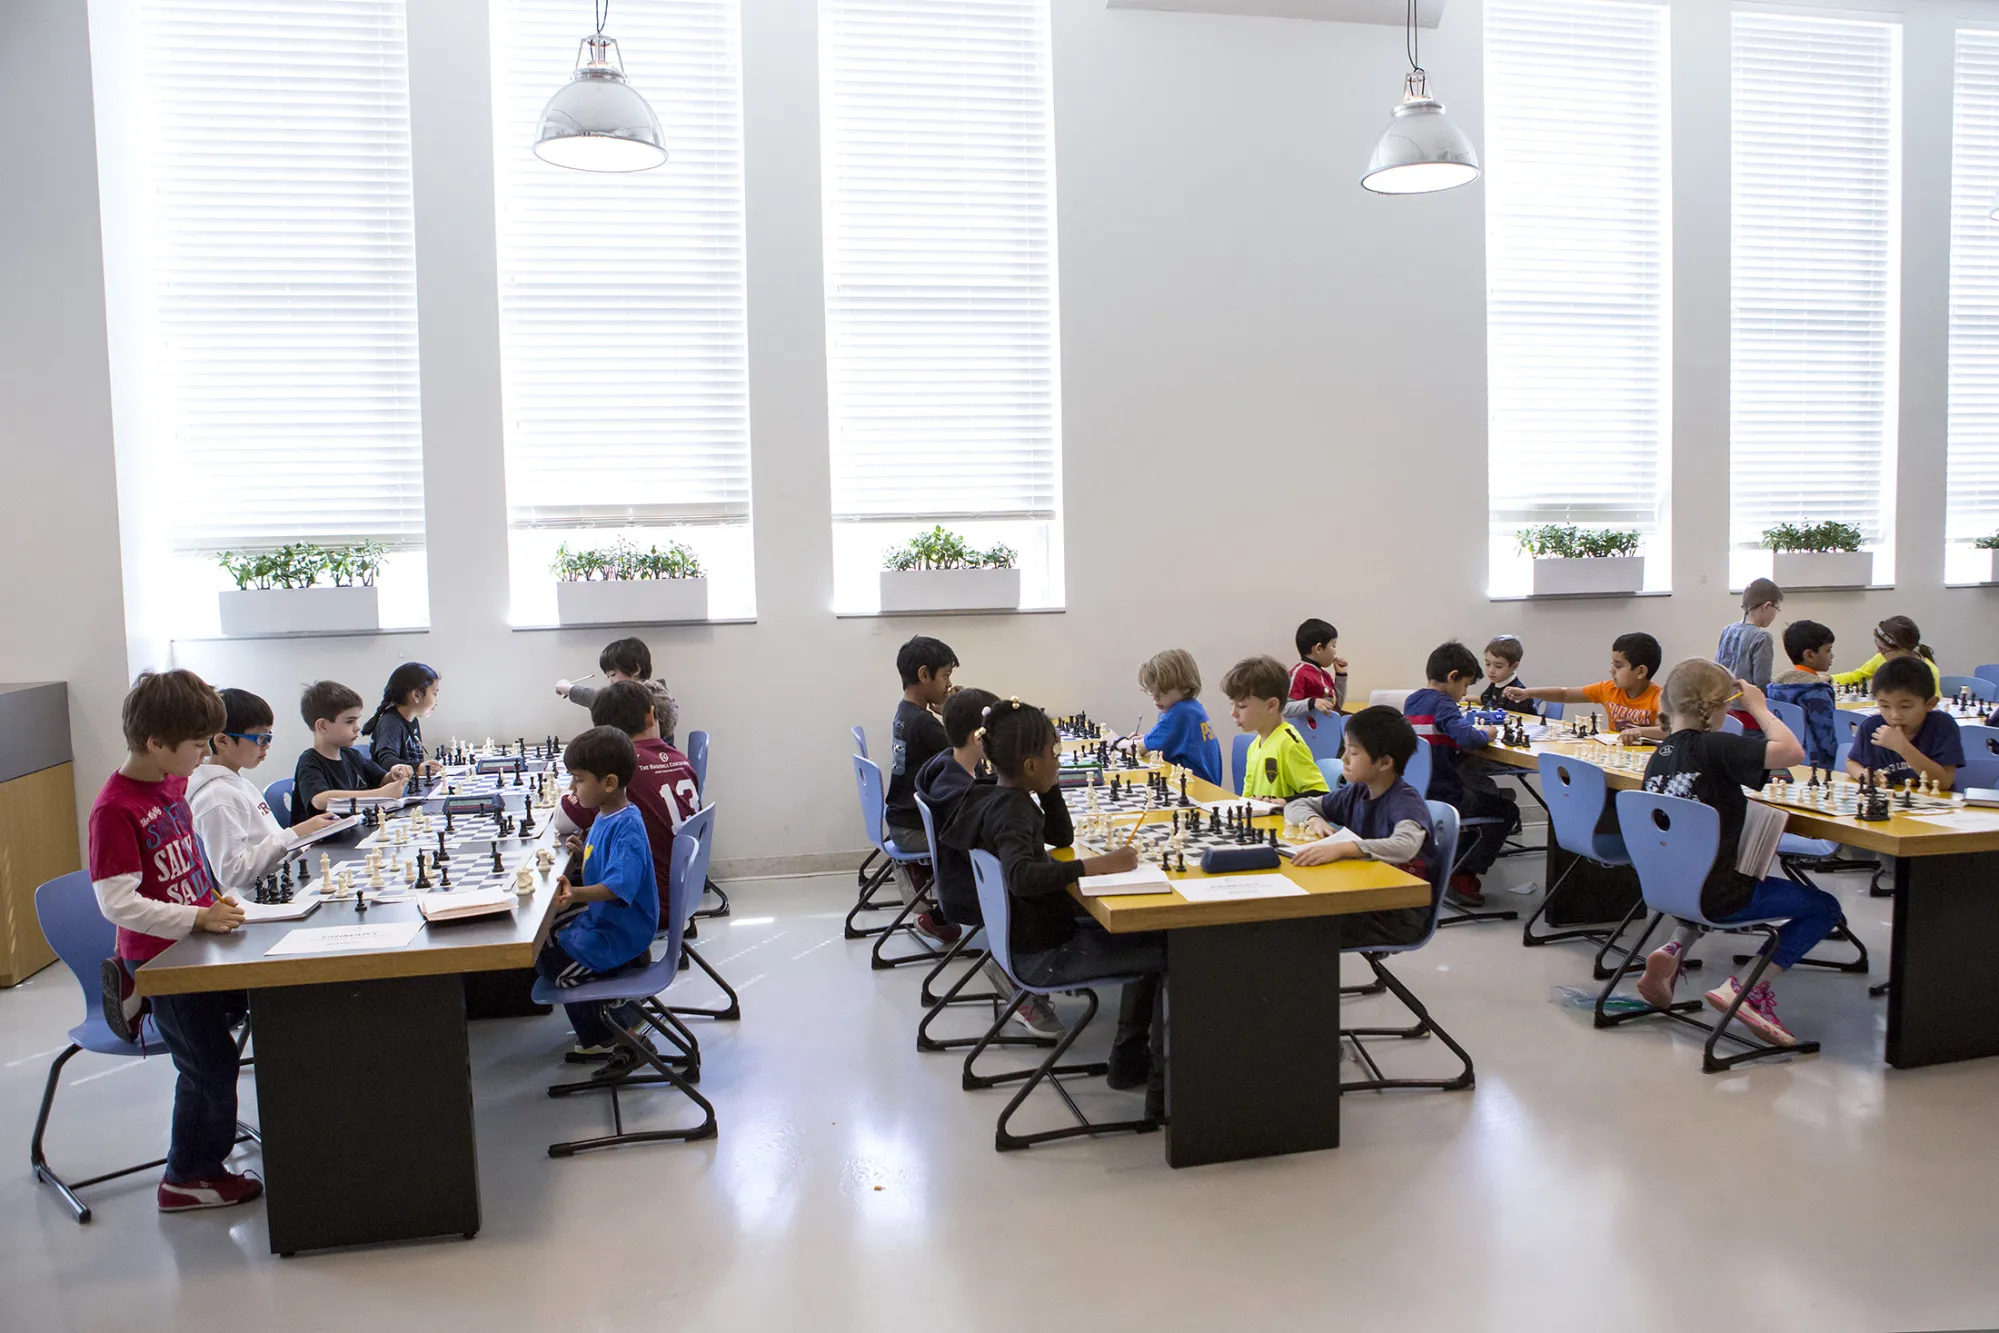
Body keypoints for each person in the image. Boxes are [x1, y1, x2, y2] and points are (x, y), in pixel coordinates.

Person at [938, 699, 1166, 1118]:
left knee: (1147, 935)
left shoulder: (997, 795)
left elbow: (1060, 836)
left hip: (1027, 939)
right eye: (1053, 754)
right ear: (1028, 765)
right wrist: (1097, 865)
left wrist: (1051, 783)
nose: (1057, 760)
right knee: (1171, 948)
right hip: (1043, 955)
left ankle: (1127, 1063)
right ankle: (1160, 1090)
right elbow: (1021, 876)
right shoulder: (1012, 812)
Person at [89, 670, 261, 1211]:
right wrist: (196, 919)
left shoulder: (173, 784)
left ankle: (207, 1149)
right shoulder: (115, 808)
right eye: (196, 745)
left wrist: (212, 899)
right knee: (207, 1064)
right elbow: (117, 904)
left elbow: (190, 860)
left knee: (237, 1033)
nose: (204, 754)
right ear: (156, 743)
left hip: (194, 942)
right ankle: (186, 1175)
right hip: (161, 959)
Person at [1633, 660, 1837, 1048]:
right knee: (1824, 906)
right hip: (1718, 896)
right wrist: (1759, 707)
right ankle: (1746, 989)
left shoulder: (1660, 755)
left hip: (1668, 888)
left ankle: (1674, 945)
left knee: (1722, 861)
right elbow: (1792, 752)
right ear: (1721, 706)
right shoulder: (1715, 746)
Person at [913, 688, 1062, 1034]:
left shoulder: (956, 774)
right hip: (981, 895)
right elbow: (1022, 871)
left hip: (966, 886)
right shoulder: (971, 795)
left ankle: (1010, 967)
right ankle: (1017, 972)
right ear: (977, 739)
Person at [538, 726, 661, 1078]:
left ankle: (627, 1034)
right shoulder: (606, 816)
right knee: (544, 940)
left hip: (623, 929)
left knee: (557, 970)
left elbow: (617, 886)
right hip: (605, 921)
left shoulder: (628, 826)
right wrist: (581, 851)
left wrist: (574, 893)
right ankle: (596, 1035)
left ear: (608, 783)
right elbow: (603, 862)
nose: (573, 789)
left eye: (578, 780)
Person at [1284, 705, 1440, 948]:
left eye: (1353, 753)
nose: (1343, 759)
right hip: (1362, 896)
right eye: (1345, 749)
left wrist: (1344, 848)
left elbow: (1406, 844)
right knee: (1291, 916)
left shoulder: (1404, 801)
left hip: (1397, 913)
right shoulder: (1357, 792)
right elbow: (1297, 806)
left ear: (1384, 762)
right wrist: (1314, 819)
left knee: (1297, 927)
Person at [556, 681, 699, 928]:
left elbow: (561, 821)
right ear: (651, 715)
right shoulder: (680, 759)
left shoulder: (619, 771)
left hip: (642, 904)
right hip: (684, 892)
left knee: (547, 916)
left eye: (578, 779)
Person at [187, 688, 339, 895]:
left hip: (280, 881)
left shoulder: (238, 783)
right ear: (222, 741)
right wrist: (296, 833)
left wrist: (305, 840)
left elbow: (269, 841)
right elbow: (232, 873)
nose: (266, 746)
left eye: (269, 737)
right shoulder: (217, 798)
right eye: (260, 738)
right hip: (258, 899)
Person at [1403, 641, 1518, 907]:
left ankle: (1452, 861)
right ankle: (1462, 873)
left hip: (1419, 791)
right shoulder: (1444, 704)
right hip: (1445, 795)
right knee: (1506, 811)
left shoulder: (1413, 700)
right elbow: (1467, 737)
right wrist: (1487, 733)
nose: (1464, 693)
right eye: (1465, 685)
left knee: (1481, 796)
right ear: (1452, 677)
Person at [884, 635, 957, 913]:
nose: (949, 684)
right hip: (915, 830)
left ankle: (918, 873)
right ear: (924, 675)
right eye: (946, 675)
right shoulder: (925, 724)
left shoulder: (906, 713)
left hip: (902, 821)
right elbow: (967, 757)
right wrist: (953, 713)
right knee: (980, 838)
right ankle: (939, 915)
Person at [1504, 631, 1666, 740]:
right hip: (1617, 756)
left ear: (1640, 672)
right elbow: (1565, 694)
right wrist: (1527, 692)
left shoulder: (1660, 698)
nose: (1611, 671)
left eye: (1618, 666)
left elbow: (1667, 731)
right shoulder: (1608, 689)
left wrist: (1639, 732)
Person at [291, 681, 412, 825]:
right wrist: (380, 795)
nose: (357, 728)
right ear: (323, 726)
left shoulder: (351, 755)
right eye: (349, 721)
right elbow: (320, 800)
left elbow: (381, 780)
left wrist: (394, 774)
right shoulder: (309, 761)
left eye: (357, 720)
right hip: (322, 843)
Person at [1847, 655, 1964, 790]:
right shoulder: (1871, 727)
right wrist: (1862, 774)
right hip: (1888, 804)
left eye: (1905, 707)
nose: (1894, 716)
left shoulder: (1942, 725)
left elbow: (1944, 782)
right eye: (1885, 706)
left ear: (1930, 703)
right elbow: (1851, 763)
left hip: (1934, 805)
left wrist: (1902, 747)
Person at [1222, 655, 1330, 801]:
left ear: (1271, 705)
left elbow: (1320, 794)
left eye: (1242, 706)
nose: (1233, 713)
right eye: (1232, 704)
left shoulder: (1288, 744)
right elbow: (1246, 798)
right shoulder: (1254, 746)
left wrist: (1284, 802)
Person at [556, 637, 680, 746]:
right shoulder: (649, 693)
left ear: (636, 669)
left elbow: (601, 700)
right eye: (608, 676)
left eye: (613, 674)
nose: (610, 682)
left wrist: (569, 689)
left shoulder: (649, 697)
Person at [1129, 648, 1223, 785]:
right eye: (1152, 691)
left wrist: (1114, 741)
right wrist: (1146, 739)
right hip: (1194, 784)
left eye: (1162, 692)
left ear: (1184, 687)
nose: (1155, 698)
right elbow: (1166, 743)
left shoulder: (1181, 712)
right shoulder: (1192, 707)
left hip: (1196, 789)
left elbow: (1138, 748)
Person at [1768, 620, 1840, 771]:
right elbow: (1828, 741)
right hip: (1817, 765)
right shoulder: (1816, 692)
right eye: (1828, 651)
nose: (1832, 656)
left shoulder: (1777, 687)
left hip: (1786, 761)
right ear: (1810, 655)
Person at [361, 662, 441, 775]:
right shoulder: (391, 722)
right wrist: (417, 768)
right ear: (416, 695)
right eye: (434, 694)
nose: (436, 701)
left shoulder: (413, 720)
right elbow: (386, 762)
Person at [1832, 615, 1942, 694]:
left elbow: (1930, 705)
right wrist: (1828, 679)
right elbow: (1857, 676)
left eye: (1883, 649)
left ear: (1903, 649)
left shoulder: (1929, 671)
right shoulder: (1881, 658)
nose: (1878, 652)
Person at [1715, 578, 1783, 687]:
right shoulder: (1762, 637)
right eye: (1777, 609)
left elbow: (1717, 669)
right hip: (1747, 702)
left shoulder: (1727, 630)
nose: (1776, 614)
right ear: (1767, 606)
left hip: (1724, 699)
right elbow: (1762, 682)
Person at [1287, 618, 1348, 718]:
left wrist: (1341, 675)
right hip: (1310, 732)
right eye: (1333, 646)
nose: (1335, 652)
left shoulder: (1325, 675)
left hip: (1329, 726)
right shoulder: (1299, 673)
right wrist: (1311, 703)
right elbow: (1286, 708)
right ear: (1319, 648)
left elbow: (1337, 707)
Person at [1478, 635, 1539, 715]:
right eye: (1488, 664)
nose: (1491, 671)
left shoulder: (1517, 692)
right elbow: (1484, 700)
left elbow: (1515, 719)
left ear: (1514, 666)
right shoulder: (1496, 682)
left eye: (1498, 666)